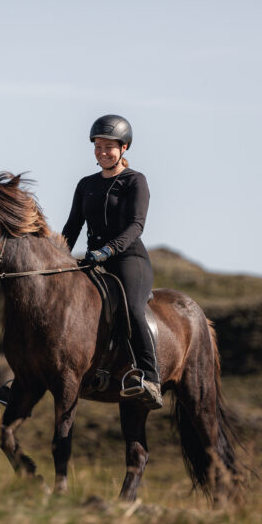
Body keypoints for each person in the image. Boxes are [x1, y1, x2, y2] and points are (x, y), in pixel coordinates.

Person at [61, 114, 162, 410]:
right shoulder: (85, 184)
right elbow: (72, 226)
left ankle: (151, 377)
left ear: (124, 148)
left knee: (131, 308)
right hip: (95, 260)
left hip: (129, 259)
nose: (103, 152)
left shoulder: (135, 181)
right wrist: (59, 255)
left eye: (109, 147)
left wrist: (107, 250)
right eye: (98, 146)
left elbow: (136, 226)